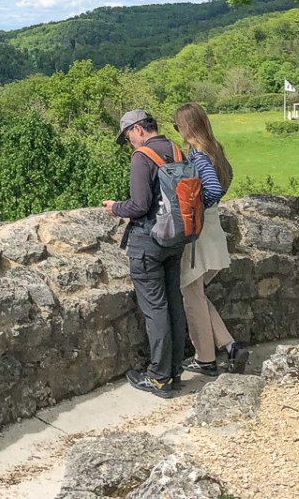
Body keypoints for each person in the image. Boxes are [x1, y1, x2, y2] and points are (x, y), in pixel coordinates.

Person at [103, 108, 188, 397]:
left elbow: (139, 205)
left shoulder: (142, 158)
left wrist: (115, 207)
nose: (130, 143)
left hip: (148, 241)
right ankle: (175, 370)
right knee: (174, 302)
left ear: (138, 130)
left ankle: (159, 378)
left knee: (155, 310)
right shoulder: (176, 151)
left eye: (128, 137)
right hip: (176, 237)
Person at [172, 102, 247, 376]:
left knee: (191, 295)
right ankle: (229, 346)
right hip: (214, 232)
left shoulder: (198, 155)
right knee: (197, 294)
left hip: (200, 236)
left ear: (185, 125)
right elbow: (226, 179)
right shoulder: (215, 149)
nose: (176, 130)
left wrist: (195, 209)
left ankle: (205, 359)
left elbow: (213, 188)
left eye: (176, 124)